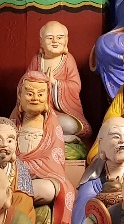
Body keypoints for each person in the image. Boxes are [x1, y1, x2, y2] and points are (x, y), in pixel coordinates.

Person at [11, 71, 75, 224]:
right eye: (29, 93)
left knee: (46, 189)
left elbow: (53, 162)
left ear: (47, 98)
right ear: (19, 96)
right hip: (13, 178)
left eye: (40, 94)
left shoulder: (52, 127)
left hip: (41, 179)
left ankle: (13, 207)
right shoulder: (12, 125)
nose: (35, 98)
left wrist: (25, 166)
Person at [29, 20, 90, 149]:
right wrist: (38, 84)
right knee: (30, 123)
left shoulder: (68, 60)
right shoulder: (37, 59)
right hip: (39, 111)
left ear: (66, 41)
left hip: (61, 112)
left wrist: (55, 83)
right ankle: (51, 136)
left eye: (60, 37)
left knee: (70, 125)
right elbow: (26, 83)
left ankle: (53, 137)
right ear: (41, 41)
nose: (55, 41)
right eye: (49, 38)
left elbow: (76, 86)